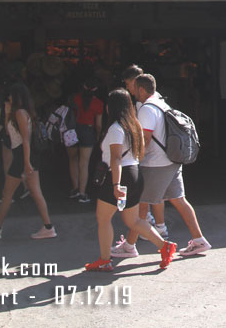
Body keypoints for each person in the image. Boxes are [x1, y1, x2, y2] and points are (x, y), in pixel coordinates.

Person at [111, 74, 211, 259]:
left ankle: (130, 246)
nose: (133, 93)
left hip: (156, 164)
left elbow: (145, 139)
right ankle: (199, 239)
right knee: (179, 200)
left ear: (141, 89)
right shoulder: (162, 103)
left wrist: (135, 159)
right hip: (172, 161)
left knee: (141, 205)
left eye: (134, 89)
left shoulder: (147, 109)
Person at [84, 88, 175, 272]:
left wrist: (116, 184)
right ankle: (164, 246)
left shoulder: (115, 129)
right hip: (134, 174)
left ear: (111, 107)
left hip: (119, 176)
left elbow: (115, 158)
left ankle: (104, 260)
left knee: (103, 218)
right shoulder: (135, 127)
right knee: (133, 220)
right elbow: (139, 153)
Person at [0, 83, 56, 240]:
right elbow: (12, 136)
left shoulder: (21, 113)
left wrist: (27, 162)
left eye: (10, 95)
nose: (8, 98)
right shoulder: (19, 113)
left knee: (8, 193)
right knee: (34, 192)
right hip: (24, 156)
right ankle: (48, 227)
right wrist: (8, 113)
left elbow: (25, 140)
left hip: (22, 156)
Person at [68, 76, 104, 204]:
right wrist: (98, 136)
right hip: (88, 131)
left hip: (72, 130)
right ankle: (82, 193)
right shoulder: (98, 103)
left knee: (73, 159)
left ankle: (75, 188)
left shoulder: (75, 99)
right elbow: (98, 124)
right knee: (84, 163)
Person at [0, 98, 28, 202]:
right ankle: (26, 186)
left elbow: (4, 127)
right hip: (20, 140)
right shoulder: (24, 110)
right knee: (17, 165)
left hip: (10, 140)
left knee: (8, 167)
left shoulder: (10, 110)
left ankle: (10, 193)